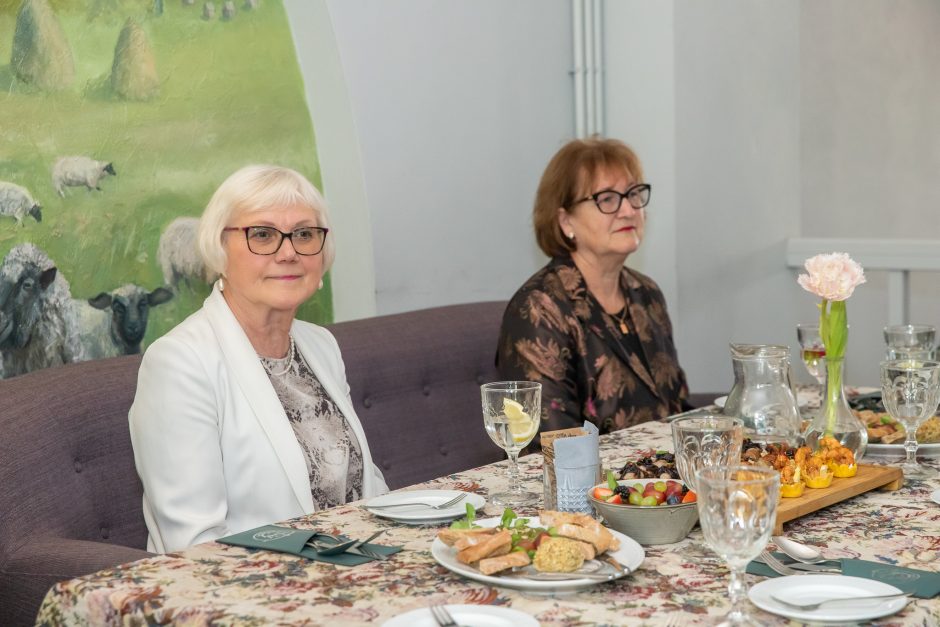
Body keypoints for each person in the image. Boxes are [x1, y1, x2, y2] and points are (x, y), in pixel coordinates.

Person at [129, 164, 387, 553]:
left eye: (304, 234)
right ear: (219, 249)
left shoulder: (321, 345)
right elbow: (194, 544)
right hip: (247, 583)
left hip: (358, 562)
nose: (289, 252)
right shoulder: (179, 362)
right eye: (262, 235)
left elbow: (368, 487)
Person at [497, 137, 689, 440]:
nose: (628, 210)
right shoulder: (539, 309)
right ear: (565, 221)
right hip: (591, 472)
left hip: (663, 467)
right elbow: (553, 445)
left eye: (633, 194)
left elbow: (678, 410)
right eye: (607, 199)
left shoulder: (647, 293)